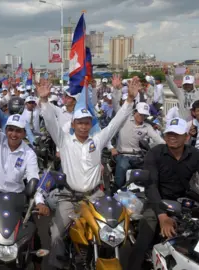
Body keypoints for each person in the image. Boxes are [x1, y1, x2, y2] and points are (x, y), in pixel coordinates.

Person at [36, 76, 138, 269]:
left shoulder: (97, 141)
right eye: (79, 122)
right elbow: (50, 122)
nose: (83, 126)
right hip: (69, 198)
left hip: (95, 197)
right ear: (73, 124)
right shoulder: (64, 141)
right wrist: (43, 101)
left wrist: (130, 100)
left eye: (86, 122)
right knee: (57, 234)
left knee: (111, 230)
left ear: (90, 124)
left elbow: (115, 123)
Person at [127, 118, 199, 270]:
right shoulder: (155, 153)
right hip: (157, 201)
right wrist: (163, 216)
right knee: (143, 240)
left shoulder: (196, 155)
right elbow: (151, 186)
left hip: (185, 203)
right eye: (169, 133)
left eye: (177, 134)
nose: (172, 137)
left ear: (187, 137)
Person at [0, 92, 48, 270]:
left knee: (32, 234)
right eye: (10, 129)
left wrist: (39, 201)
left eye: (18, 131)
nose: (13, 134)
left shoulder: (29, 153)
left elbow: (34, 178)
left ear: (24, 132)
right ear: (5, 130)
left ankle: (37, 265)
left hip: (16, 198)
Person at [111, 102, 165, 188]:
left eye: (144, 115)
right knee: (122, 170)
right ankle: (116, 190)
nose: (142, 117)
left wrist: (168, 147)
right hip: (122, 155)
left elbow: (158, 139)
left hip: (138, 157)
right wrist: (111, 148)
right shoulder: (124, 120)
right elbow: (116, 105)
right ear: (135, 112)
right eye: (140, 114)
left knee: (150, 173)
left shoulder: (147, 126)